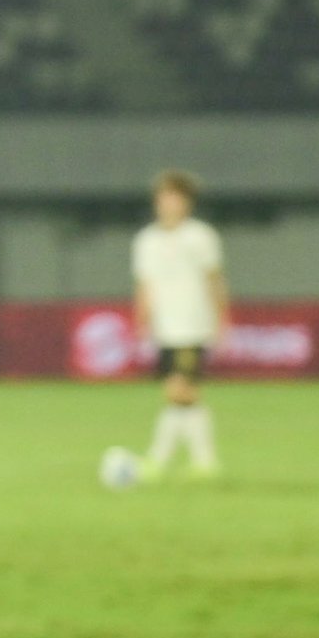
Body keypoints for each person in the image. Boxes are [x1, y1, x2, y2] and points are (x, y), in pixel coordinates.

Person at [133, 169, 230, 480]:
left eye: (176, 197)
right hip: (164, 329)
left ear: (187, 202)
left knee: (179, 391)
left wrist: (222, 318)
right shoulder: (146, 240)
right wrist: (141, 318)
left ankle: (159, 459)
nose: (169, 203)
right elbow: (145, 284)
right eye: (165, 196)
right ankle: (203, 461)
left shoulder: (201, 236)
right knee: (181, 396)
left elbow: (214, 280)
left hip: (193, 325)